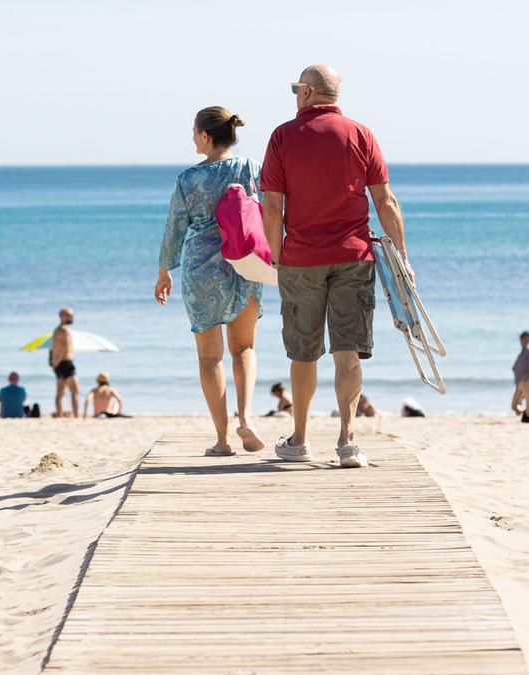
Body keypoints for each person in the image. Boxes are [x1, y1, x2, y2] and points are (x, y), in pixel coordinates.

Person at [262, 64, 409, 469]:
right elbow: (386, 202)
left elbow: (272, 209)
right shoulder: (362, 134)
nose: (295, 94)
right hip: (353, 256)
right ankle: (347, 440)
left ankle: (300, 439)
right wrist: (403, 259)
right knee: (348, 352)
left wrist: (275, 255)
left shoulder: (282, 137)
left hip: (301, 259)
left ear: (307, 92)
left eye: (296, 88)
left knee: (303, 352)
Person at [155, 106, 265, 456]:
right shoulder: (252, 168)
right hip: (246, 264)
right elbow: (275, 208)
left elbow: (175, 228)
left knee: (209, 358)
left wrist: (164, 270)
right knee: (244, 349)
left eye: (193, 132)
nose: (192, 138)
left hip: (202, 269)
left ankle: (222, 440)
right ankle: (245, 416)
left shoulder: (188, 179)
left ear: (205, 135)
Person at [49, 307, 80, 418]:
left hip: (59, 364)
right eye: (70, 315)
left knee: (60, 393)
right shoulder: (64, 330)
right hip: (66, 362)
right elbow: (65, 347)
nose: (72, 318)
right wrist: (58, 360)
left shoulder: (56, 330)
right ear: (63, 317)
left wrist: (54, 361)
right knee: (75, 392)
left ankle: (59, 415)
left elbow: (52, 348)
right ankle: (76, 416)